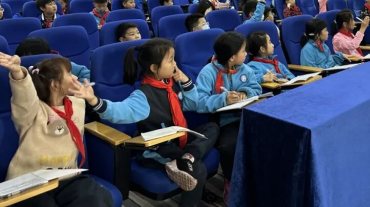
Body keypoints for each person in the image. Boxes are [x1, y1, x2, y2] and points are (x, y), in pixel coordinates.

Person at [71, 38, 219, 207]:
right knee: (197, 170)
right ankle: (188, 161)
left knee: (212, 128)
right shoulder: (143, 95)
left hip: (179, 139)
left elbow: (193, 104)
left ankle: (188, 156)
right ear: (154, 68)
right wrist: (93, 100)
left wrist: (185, 80)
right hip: (157, 148)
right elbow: (119, 112)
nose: (175, 64)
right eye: (171, 60)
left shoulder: (171, 84)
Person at [0, 53, 113, 206]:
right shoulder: (32, 111)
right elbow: (24, 96)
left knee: (98, 197)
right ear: (54, 85)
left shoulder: (78, 103)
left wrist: (91, 99)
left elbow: (96, 98)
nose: (75, 77)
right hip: (30, 181)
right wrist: (18, 73)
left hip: (66, 177)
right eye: (70, 74)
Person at [195, 32, 261, 202]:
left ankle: (259, 178)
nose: (246, 54)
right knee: (229, 145)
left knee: (268, 134)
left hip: (248, 115)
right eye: (243, 51)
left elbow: (256, 88)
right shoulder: (208, 72)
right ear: (232, 57)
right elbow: (199, 102)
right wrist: (223, 99)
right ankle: (231, 183)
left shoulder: (245, 69)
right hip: (223, 121)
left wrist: (245, 93)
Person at [14, 37, 90, 83]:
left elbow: (85, 73)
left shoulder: (60, 65)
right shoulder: (20, 71)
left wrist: (77, 90)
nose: (30, 61)